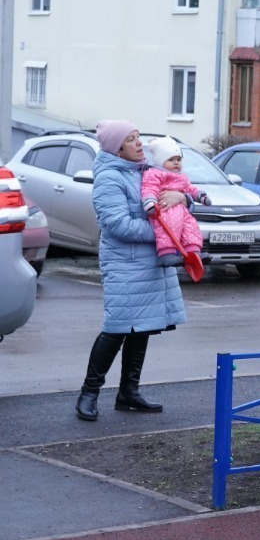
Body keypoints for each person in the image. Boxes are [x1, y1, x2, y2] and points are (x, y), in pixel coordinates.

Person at [75, 122, 190, 421]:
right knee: (117, 328)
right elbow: (118, 225)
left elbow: (178, 192)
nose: (139, 143)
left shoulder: (144, 170)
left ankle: (129, 392)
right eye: (130, 139)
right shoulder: (109, 178)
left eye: (138, 137)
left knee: (143, 327)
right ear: (117, 148)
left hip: (149, 263)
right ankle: (89, 393)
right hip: (124, 264)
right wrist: (165, 231)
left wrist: (183, 199)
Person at [141, 137, 208, 266]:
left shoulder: (181, 177)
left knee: (191, 226)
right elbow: (149, 187)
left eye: (178, 159)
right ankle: (166, 253)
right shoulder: (154, 173)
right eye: (171, 160)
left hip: (182, 210)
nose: (176, 163)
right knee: (167, 228)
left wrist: (200, 196)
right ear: (161, 161)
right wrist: (149, 201)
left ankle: (193, 251)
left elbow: (189, 188)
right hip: (164, 209)